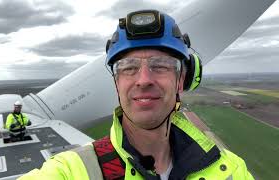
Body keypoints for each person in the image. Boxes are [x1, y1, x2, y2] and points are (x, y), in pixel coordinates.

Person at [19, 10, 253, 180]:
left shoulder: (231, 170)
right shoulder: (73, 170)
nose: (143, 80)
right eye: (129, 67)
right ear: (116, 82)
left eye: (160, 65)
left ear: (182, 80)